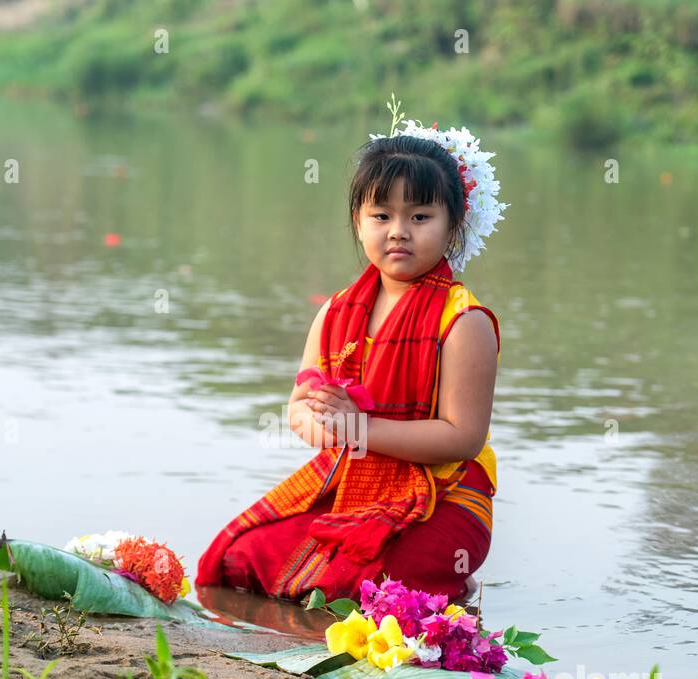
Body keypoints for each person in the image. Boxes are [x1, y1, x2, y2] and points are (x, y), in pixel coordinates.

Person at [196, 115, 508, 605]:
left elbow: (461, 439)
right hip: (349, 479)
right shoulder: (338, 310)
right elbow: (300, 405)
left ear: (453, 227)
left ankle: (458, 579)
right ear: (359, 223)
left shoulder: (464, 321)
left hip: (442, 493)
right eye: (381, 216)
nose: (399, 232)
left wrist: (357, 429)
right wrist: (323, 424)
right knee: (236, 561)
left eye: (420, 217)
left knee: (366, 591)